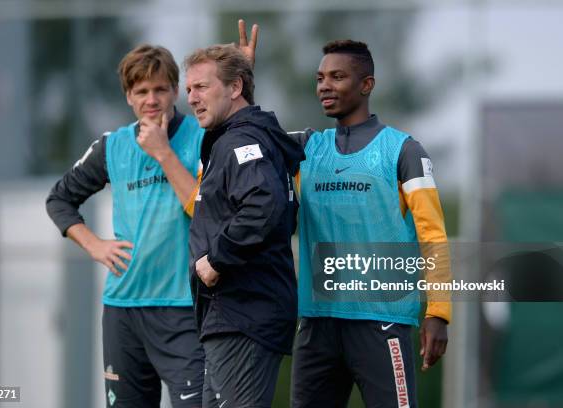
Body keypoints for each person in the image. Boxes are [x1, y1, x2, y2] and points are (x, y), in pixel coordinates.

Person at [288, 40, 452, 407]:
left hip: (383, 322)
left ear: (367, 85)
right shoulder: (304, 149)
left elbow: (433, 236)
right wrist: (242, 80)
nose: (324, 86)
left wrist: (438, 312)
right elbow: (240, 145)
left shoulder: (404, 151)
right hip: (317, 323)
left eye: (337, 76)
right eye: (320, 78)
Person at [46, 44, 206, 408]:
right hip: (123, 312)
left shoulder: (202, 138)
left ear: (175, 91)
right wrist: (94, 245)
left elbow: (208, 212)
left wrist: (164, 152)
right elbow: (59, 198)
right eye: (142, 91)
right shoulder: (112, 146)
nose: (152, 99)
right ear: (129, 97)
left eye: (160, 89)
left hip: (185, 310)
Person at [184, 44, 305, 408]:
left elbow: (264, 204)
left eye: (201, 87)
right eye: (188, 89)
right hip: (233, 316)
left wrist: (216, 259)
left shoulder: (242, 140)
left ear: (235, 88)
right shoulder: (241, 137)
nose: (191, 98)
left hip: (243, 316)